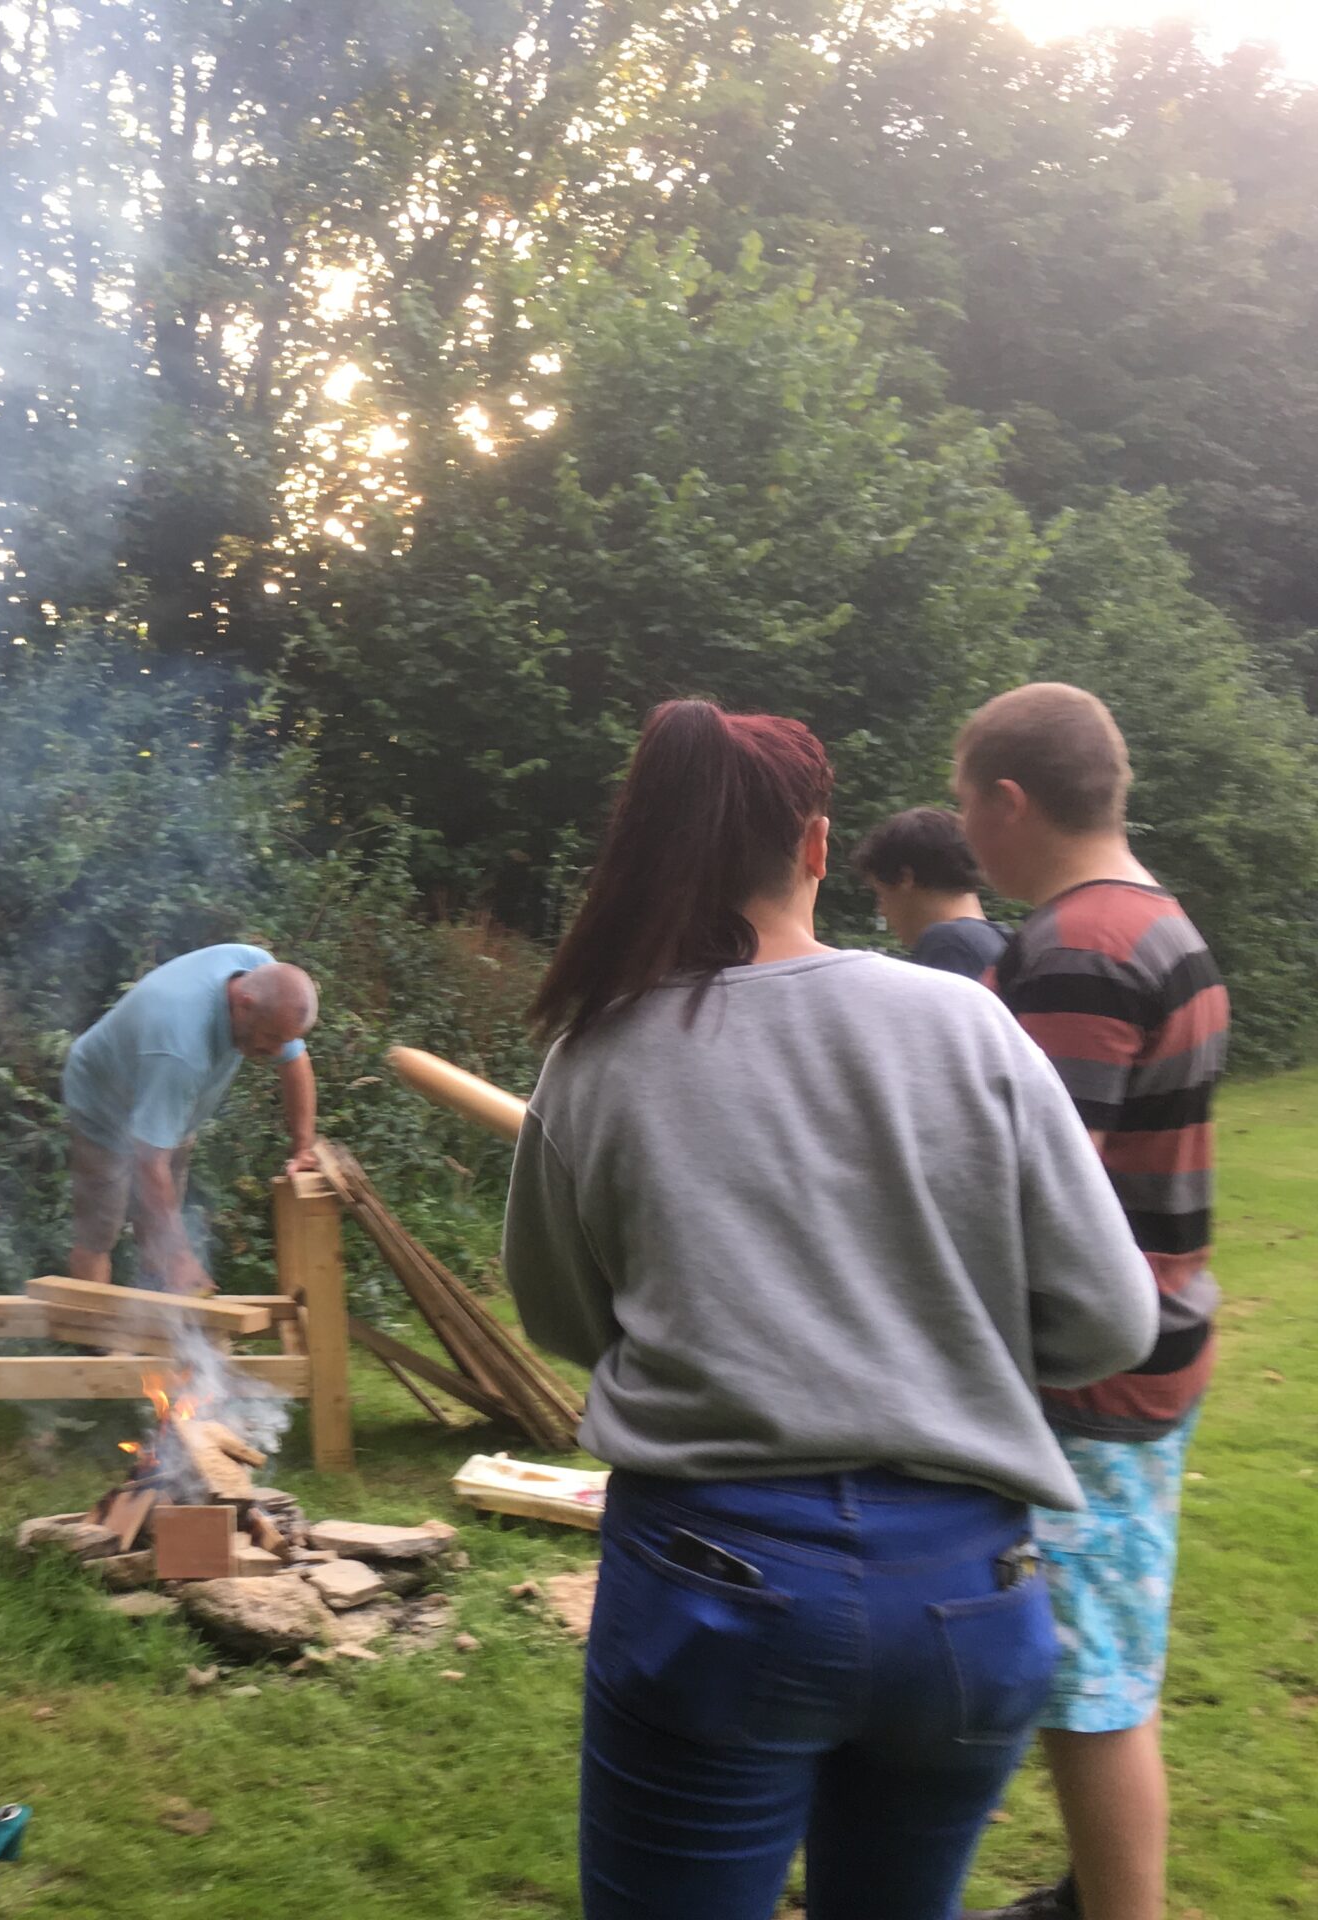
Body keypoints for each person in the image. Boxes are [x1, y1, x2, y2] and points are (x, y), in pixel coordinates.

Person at [500, 699, 1157, 1920]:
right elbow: (1112, 1323)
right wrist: (956, 1341)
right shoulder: (961, 1021)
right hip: (966, 1598)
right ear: (814, 847)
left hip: (712, 1594)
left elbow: (562, 1318)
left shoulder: (594, 1054)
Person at [953, 685, 1229, 1920]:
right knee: (1102, 1657)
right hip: (1147, 1340)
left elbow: (1033, 1182)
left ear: (1011, 801)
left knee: (1092, 1685)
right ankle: (1087, 1895)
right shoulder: (1154, 920)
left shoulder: (1079, 950)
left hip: (1094, 1369)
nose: (964, 837)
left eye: (967, 805)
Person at [60, 944, 318, 1296]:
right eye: (272, 1038)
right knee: (99, 1232)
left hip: (167, 1112)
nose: (276, 1051)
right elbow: (150, 1161)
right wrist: (181, 1257)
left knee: (160, 1226)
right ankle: (95, 1344)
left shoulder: (261, 973)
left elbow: (294, 1062)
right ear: (244, 1004)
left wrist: (303, 1148)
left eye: (283, 1040)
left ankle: (158, 1327)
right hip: (103, 1110)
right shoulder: (180, 1045)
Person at [853, 804, 1010, 978]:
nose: (882, 911)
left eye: (881, 895)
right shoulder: (1004, 940)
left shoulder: (948, 943)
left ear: (905, 878)